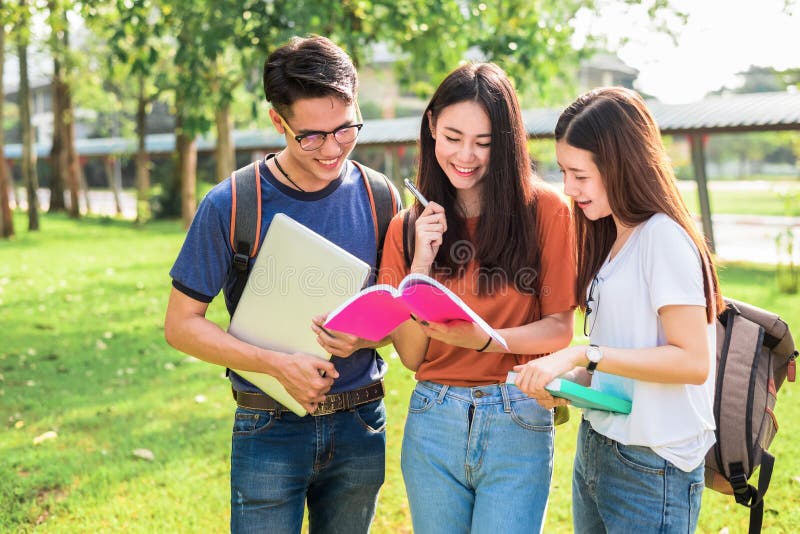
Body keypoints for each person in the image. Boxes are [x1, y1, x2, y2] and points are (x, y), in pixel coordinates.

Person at [164, 36, 400, 534]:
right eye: (311, 136)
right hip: (267, 426)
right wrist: (275, 364)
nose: (332, 148)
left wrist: (364, 335)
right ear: (278, 121)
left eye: (345, 129)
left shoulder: (382, 198)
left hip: (361, 424)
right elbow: (181, 326)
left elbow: (399, 317)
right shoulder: (231, 203)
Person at [513, 86, 724, 533]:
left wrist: (581, 353)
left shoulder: (663, 238)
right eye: (564, 172)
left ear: (620, 166)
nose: (568, 188)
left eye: (580, 175)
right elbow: (622, 360)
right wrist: (567, 382)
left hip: (652, 466)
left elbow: (691, 361)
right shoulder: (613, 238)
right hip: (600, 447)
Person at [378, 63, 577, 534]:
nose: (466, 155)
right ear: (431, 127)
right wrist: (420, 267)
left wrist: (485, 340)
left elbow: (560, 329)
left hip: (518, 413)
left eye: (484, 143)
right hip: (433, 419)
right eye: (452, 137)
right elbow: (411, 356)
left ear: (506, 144)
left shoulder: (546, 211)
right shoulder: (405, 228)